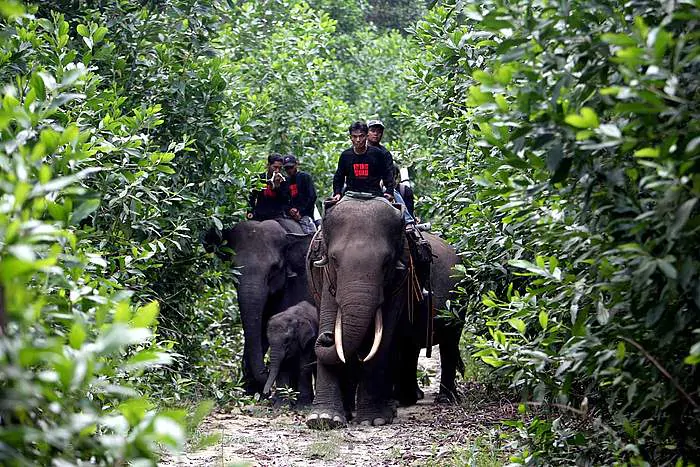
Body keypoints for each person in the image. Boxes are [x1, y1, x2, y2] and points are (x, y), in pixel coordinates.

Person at [331, 121, 394, 202]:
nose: (358, 140)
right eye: (354, 136)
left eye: (361, 136)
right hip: (351, 194)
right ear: (351, 137)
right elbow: (339, 176)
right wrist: (337, 193)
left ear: (366, 136)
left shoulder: (378, 153)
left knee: (393, 212)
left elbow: (387, 174)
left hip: (374, 195)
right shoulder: (345, 155)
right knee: (330, 208)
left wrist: (389, 192)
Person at [247, 153, 292, 221]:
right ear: (268, 165)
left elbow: (286, 200)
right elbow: (252, 197)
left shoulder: (285, 180)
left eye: (279, 168)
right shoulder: (260, 178)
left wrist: (277, 187)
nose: (277, 171)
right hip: (260, 215)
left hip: (278, 216)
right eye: (275, 167)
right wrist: (250, 212)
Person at [283, 155, 318, 234]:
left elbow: (312, 196)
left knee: (311, 235)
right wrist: (290, 210)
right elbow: (284, 199)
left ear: (296, 165)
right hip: (290, 215)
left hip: (305, 214)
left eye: (291, 167)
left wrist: (301, 212)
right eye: (286, 168)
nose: (289, 170)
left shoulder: (305, 177)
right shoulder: (285, 181)